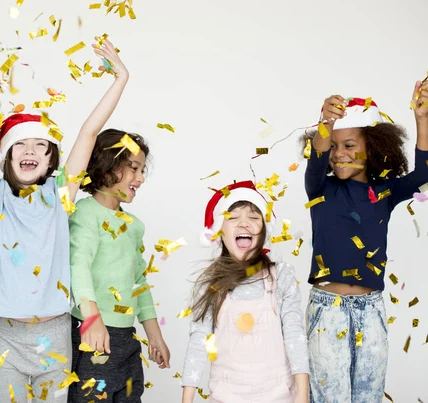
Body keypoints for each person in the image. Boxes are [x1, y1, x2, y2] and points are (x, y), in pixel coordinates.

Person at [0, 27, 130, 401]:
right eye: (20, 143)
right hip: (6, 335)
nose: (30, 149)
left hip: (52, 334)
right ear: (6, 154)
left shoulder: (59, 195)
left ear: (51, 159)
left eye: (40, 144)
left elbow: (87, 133)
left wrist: (121, 78)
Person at [302, 81, 428, 402]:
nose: (339, 155)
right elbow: (316, 158)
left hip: (371, 311)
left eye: (349, 146)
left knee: (368, 397)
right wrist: (325, 125)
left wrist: (422, 119)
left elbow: (422, 175)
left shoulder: (384, 192)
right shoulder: (319, 188)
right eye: (334, 147)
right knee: (331, 397)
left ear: (370, 147)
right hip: (327, 311)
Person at [182, 180, 309, 403]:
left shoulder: (281, 277)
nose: (244, 224)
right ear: (220, 231)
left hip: (279, 396)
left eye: (253, 217)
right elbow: (198, 341)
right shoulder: (209, 284)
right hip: (226, 397)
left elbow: (294, 334)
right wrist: (187, 399)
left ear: (264, 231)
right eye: (233, 218)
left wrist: (303, 396)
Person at [68, 130, 170, 402]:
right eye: (134, 168)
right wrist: (92, 319)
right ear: (109, 166)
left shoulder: (134, 226)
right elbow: (78, 267)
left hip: (127, 340)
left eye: (142, 170)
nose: (141, 178)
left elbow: (139, 282)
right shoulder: (84, 214)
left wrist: (154, 335)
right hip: (93, 335)